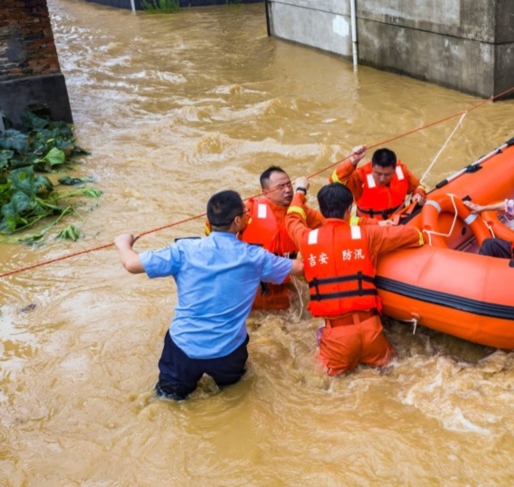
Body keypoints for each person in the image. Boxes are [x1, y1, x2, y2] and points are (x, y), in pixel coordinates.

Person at [113, 190, 303, 400]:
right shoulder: (255, 257)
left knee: (168, 400)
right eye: (246, 212)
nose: (249, 215)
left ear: (208, 220)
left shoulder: (184, 250)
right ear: (238, 221)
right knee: (234, 396)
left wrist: (123, 243)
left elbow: (131, 264)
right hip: (228, 350)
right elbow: (298, 268)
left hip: (183, 347)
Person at [285, 180, 424, 376]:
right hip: (372, 330)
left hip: (337, 337)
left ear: (322, 211)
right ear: (349, 209)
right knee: (391, 371)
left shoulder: (307, 239)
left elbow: (292, 218)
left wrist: (300, 191)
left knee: (325, 379)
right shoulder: (368, 234)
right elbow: (413, 235)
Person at [239, 166, 324, 311]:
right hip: (251, 289)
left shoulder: (301, 212)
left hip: (283, 288)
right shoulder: (249, 210)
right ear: (266, 193)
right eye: (280, 187)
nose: (288, 190)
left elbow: (331, 224)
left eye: (289, 184)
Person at [331, 146, 426, 220]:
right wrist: (352, 161)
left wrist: (418, 194)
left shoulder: (402, 171)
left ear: (394, 170)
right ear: (372, 168)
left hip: (399, 220)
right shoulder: (360, 176)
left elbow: (418, 186)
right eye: (378, 174)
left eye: (387, 175)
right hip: (371, 226)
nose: (382, 178)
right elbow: (335, 181)